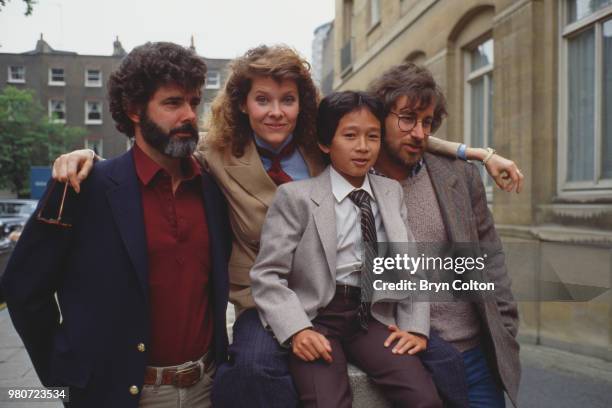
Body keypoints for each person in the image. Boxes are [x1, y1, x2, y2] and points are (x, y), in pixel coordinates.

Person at [50, 45, 522, 408]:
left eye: (288, 100)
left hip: (346, 297)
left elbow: (392, 130)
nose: (276, 111)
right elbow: (158, 148)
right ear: (243, 104)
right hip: (265, 295)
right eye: (263, 100)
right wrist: (91, 157)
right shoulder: (216, 153)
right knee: (253, 370)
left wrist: (475, 152)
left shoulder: (326, 147)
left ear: (304, 106)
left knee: (438, 363)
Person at [0, 42, 231, 408]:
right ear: (135, 110)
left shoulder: (213, 187)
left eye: (194, 101)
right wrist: (67, 375)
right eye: (173, 103)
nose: (189, 114)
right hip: (122, 395)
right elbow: (23, 288)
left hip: (209, 388)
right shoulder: (81, 187)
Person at [250, 90, 442, 408]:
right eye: (350, 136)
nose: (363, 147)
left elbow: (411, 266)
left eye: (373, 136)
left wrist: (416, 329)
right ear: (326, 143)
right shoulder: (296, 197)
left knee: (424, 398)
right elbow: (267, 274)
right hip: (318, 316)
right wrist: (297, 329)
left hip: (372, 315)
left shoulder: (390, 192)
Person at [369, 62, 520, 407]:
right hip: (405, 356)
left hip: (474, 355)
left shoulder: (459, 177)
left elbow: (489, 258)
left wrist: (505, 327)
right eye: (407, 118)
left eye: (427, 122)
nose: (420, 133)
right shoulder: (357, 177)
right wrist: (478, 151)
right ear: (379, 119)